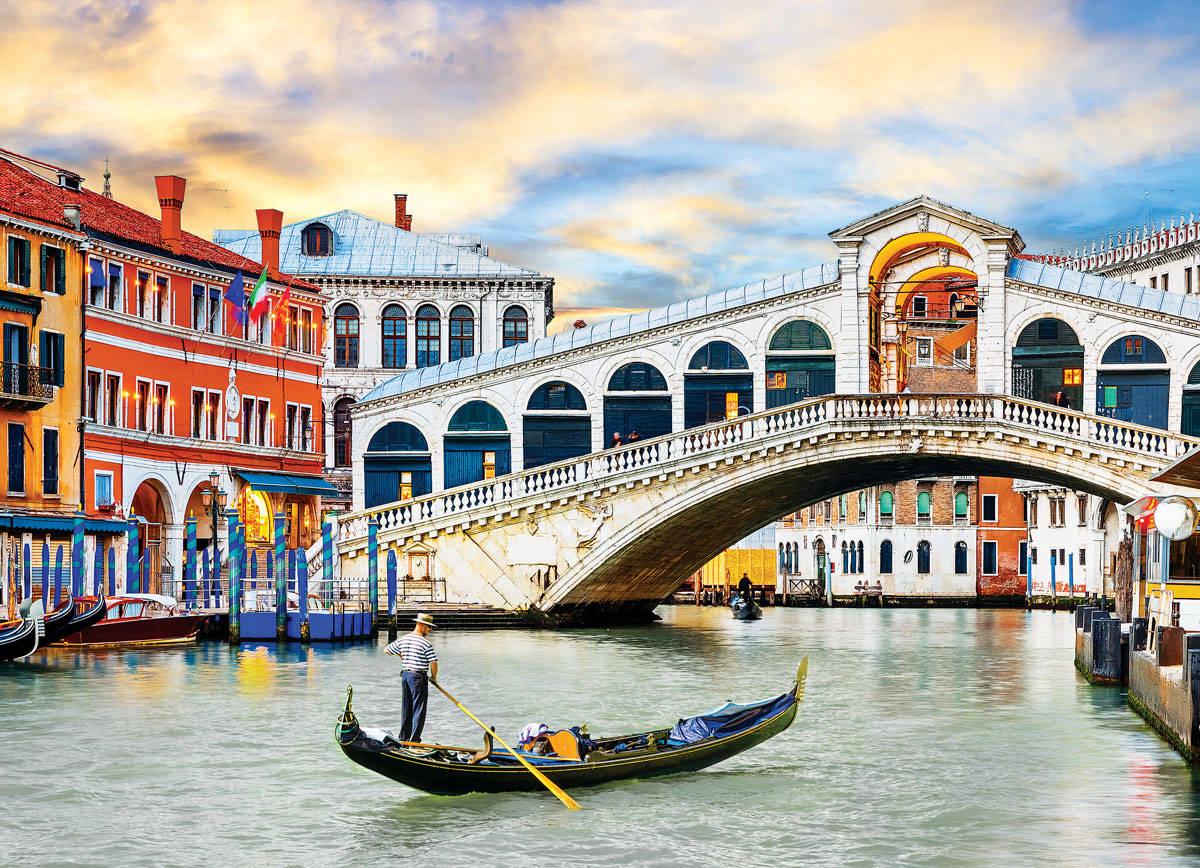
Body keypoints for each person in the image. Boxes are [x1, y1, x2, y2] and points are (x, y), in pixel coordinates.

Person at [385, 612, 439, 742]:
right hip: (419, 678)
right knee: (419, 710)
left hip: (406, 676)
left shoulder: (404, 639)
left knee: (406, 708)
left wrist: (403, 657)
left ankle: (403, 738)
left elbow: (387, 650)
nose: (430, 630)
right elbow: (434, 664)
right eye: (428, 627)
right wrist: (434, 677)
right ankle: (414, 741)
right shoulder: (426, 643)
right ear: (420, 625)